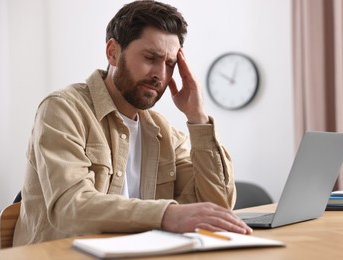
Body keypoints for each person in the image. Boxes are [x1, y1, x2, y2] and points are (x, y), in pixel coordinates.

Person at [13, 0, 252, 246]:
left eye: (170, 64)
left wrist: (198, 118)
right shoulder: (62, 109)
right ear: (113, 52)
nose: (160, 74)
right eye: (150, 57)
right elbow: (71, 206)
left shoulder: (165, 133)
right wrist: (166, 214)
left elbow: (218, 206)